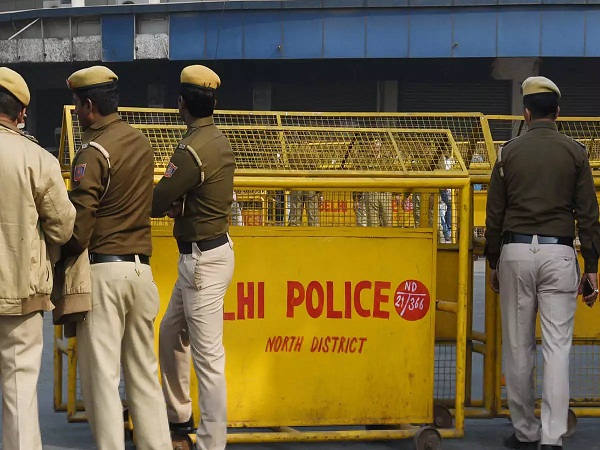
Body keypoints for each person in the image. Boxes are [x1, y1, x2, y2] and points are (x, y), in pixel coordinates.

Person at [485, 76, 600, 450]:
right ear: (558, 113)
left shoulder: (507, 153)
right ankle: (552, 437)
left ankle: (525, 431)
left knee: (518, 347)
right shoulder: (576, 153)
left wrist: (493, 261)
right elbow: (589, 214)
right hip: (559, 253)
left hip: (515, 253)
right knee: (557, 347)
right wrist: (592, 267)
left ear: (526, 113)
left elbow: (494, 214)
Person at [63, 65, 171, 450]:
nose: (77, 112)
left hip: (104, 274)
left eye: (78, 105)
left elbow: (80, 225)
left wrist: (56, 250)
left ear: (90, 106)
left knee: (102, 380)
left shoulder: (93, 152)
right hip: (142, 274)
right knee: (144, 375)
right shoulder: (141, 143)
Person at [151, 65, 235, 450]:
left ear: (181, 103)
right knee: (171, 333)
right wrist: (184, 205)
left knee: (209, 360)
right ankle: (178, 416)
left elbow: (157, 201)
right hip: (210, 254)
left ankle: (211, 443)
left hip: (201, 262)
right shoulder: (218, 139)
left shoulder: (190, 150)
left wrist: (176, 204)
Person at [0, 67, 75, 450]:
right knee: (19, 392)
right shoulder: (38, 159)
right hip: (21, 294)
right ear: (22, 113)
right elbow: (62, 227)